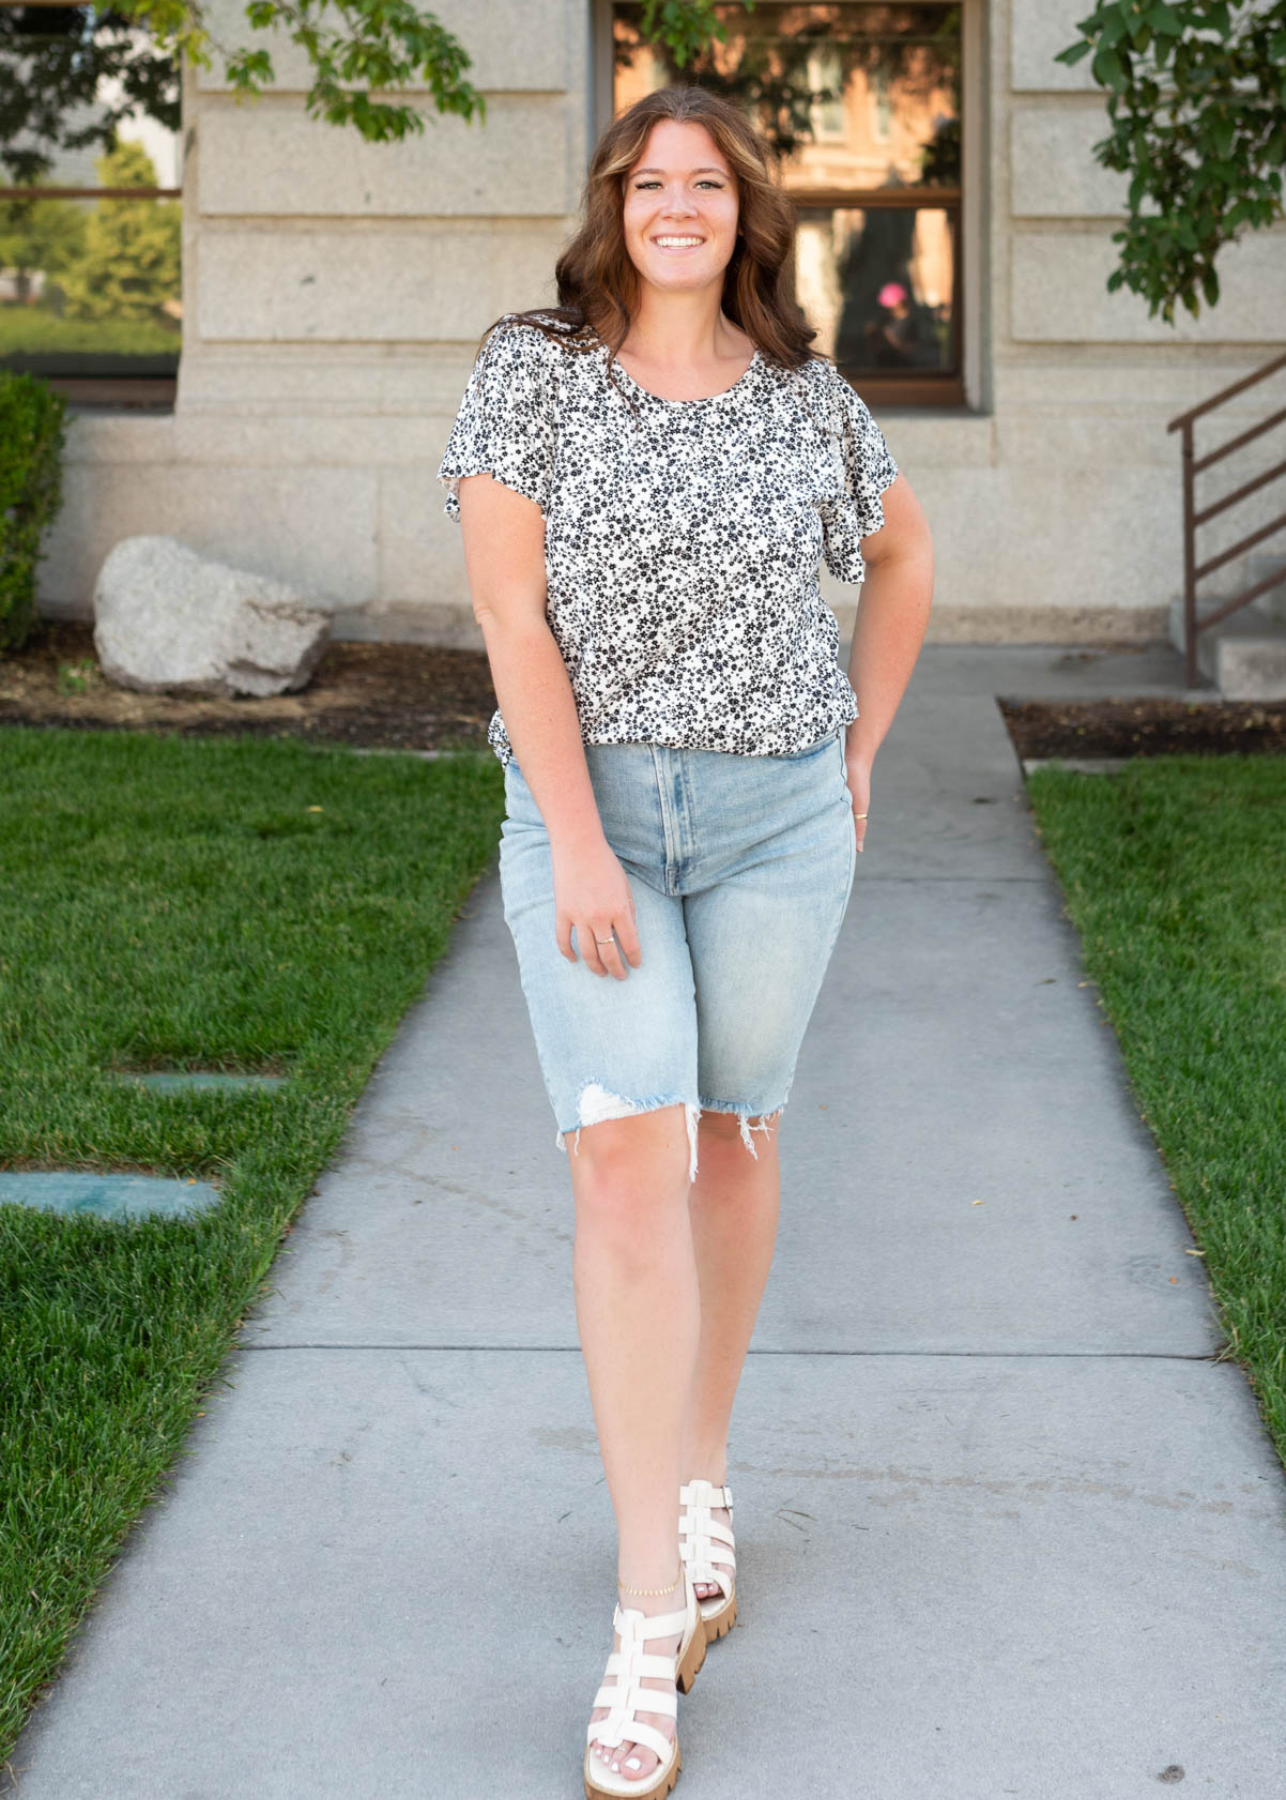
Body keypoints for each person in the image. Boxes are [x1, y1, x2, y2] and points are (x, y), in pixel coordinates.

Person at [437, 83, 933, 1800]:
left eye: (706, 186)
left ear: (744, 217)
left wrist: (860, 752)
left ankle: (700, 1471)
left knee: (730, 1133)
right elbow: (508, 609)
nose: (676, 208)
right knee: (622, 1154)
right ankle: (646, 1617)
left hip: (778, 820)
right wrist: (575, 838)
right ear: (613, 201)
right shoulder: (532, 368)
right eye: (652, 181)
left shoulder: (806, 398)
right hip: (589, 823)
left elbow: (902, 557)